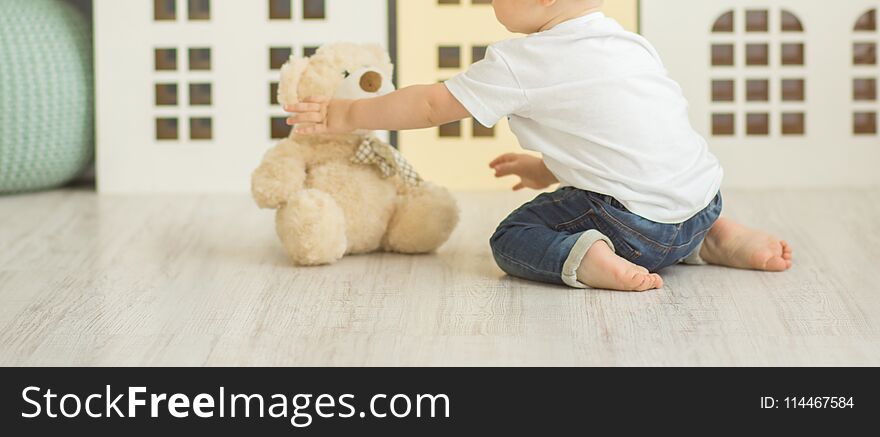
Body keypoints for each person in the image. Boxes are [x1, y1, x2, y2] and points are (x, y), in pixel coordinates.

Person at [284, 0, 793, 292]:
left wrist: (346, 113)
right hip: (702, 201)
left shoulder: (522, 61)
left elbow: (430, 106)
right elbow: (621, 139)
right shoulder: (625, 42)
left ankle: (590, 258)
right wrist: (547, 168)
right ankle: (717, 236)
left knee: (512, 234)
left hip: (638, 230)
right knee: (667, 189)